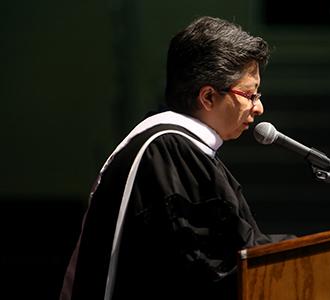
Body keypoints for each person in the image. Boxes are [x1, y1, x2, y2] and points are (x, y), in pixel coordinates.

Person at [60, 16, 293, 300]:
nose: (259, 108)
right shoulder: (170, 151)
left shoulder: (170, 148)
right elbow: (216, 265)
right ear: (207, 97)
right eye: (249, 94)